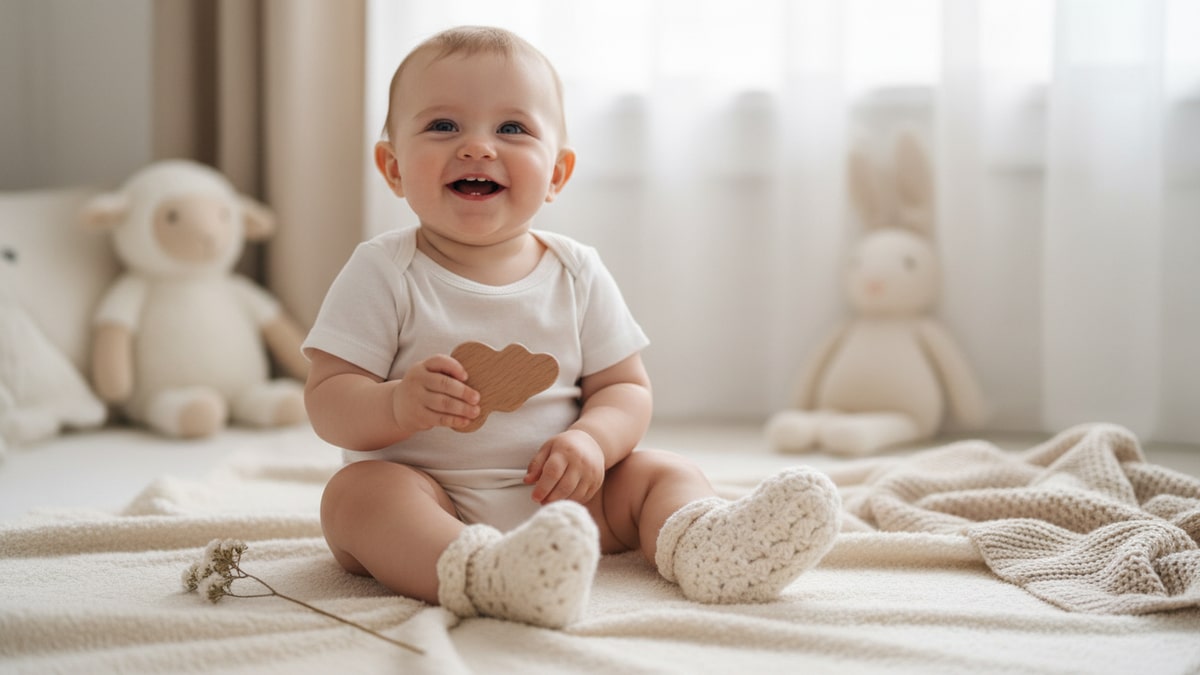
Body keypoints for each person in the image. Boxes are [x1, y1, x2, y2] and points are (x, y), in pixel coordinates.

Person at [302, 25, 841, 629]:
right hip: (432, 499)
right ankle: (484, 574)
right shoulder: (384, 271)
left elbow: (625, 390)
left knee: (659, 471)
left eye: (512, 128)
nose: (478, 147)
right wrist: (397, 403)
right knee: (357, 497)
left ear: (557, 174)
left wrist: (592, 442)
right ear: (392, 166)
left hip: (569, 500)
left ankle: (707, 544)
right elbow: (328, 401)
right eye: (443, 126)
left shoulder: (575, 271)